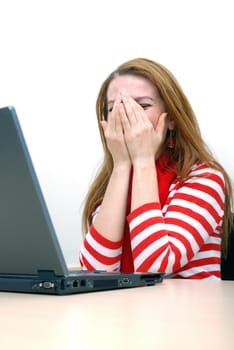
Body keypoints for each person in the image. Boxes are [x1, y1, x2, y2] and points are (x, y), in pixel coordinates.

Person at [79, 57, 233, 279]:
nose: (125, 117)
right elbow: (95, 273)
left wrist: (143, 161)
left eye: (142, 106)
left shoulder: (204, 178)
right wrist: (122, 165)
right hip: (121, 312)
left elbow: (153, 268)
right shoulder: (112, 185)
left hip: (187, 312)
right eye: (114, 109)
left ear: (170, 119)